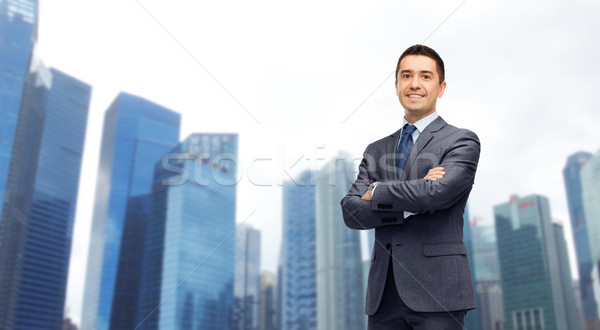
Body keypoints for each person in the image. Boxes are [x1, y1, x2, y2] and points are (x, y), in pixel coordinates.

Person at [340, 44, 480, 330]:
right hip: (383, 295)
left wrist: (376, 190)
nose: (414, 83)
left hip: (439, 293)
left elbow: (435, 194)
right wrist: (408, 204)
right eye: (406, 76)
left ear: (441, 88)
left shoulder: (461, 141)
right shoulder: (376, 150)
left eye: (425, 76)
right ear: (396, 86)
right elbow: (352, 212)